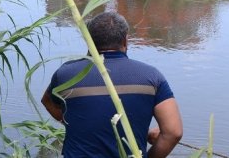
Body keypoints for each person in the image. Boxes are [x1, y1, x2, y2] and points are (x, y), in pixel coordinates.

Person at [41, 12, 183, 158]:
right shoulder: (151, 76)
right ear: (126, 41)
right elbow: (173, 132)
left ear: (88, 41)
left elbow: (47, 102)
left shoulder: (66, 74)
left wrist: (78, 125)